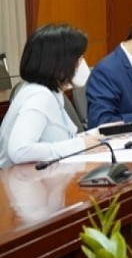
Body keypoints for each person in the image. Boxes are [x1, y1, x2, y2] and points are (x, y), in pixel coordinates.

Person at [0, 24, 102, 168]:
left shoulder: (51, 92)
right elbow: (19, 150)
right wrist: (80, 145)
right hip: (22, 183)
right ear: (59, 63)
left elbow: (55, 138)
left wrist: (93, 137)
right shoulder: (39, 96)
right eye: (78, 59)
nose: (82, 64)